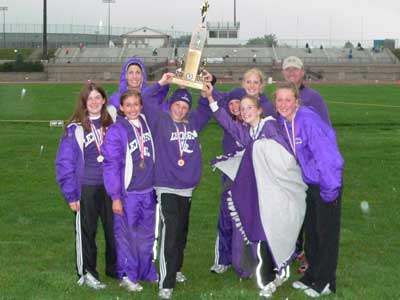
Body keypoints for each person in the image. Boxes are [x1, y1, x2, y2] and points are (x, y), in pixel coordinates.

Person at [204, 83, 307, 298]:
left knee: (275, 231)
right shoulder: (250, 132)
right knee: (263, 232)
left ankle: (275, 273)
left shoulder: (268, 126)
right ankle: (271, 276)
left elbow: (284, 157)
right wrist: (212, 101)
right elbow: (230, 127)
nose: (245, 112)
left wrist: (261, 151)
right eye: (242, 110)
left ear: (259, 109)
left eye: (249, 108)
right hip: (263, 194)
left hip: (279, 191)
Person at [142, 73, 212, 299]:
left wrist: (205, 87)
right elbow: (145, 99)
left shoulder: (193, 122)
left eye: (184, 106)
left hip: (187, 188)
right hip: (166, 187)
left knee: (181, 232)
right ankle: (165, 281)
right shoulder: (160, 121)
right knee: (171, 232)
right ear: (171, 104)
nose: (181, 110)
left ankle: (176, 268)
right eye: (177, 105)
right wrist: (163, 83)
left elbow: (205, 106)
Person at [275, 82, 344, 298]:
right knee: (312, 233)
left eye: (288, 100)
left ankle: (326, 281)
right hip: (311, 184)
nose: (283, 104)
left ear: (296, 101)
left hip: (327, 182)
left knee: (326, 234)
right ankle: (312, 274)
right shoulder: (284, 121)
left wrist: (330, 190)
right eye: (279, 100)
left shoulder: (307, 120)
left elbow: (327, 156)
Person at [55, 82, 116, 289]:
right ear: (84, 102)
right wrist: (71, 195)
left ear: (104, 100)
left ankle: (114, 269)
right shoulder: (75, 129)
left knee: (113, 230)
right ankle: (87, 272)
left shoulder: (113, 124)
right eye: (90, 98)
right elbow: (64, 164)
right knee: (87, 232)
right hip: (86, 188)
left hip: (110, 187)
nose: (94, 102)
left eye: (98, 97)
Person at [101, 89, 157, 292]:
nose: (133, 108)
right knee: (127, 235)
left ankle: (146, 271)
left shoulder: (145, 124)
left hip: (148, 191)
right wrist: (115, 196)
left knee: (146, 235)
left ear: (141, 106)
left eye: (136, 104)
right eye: (129, 105)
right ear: (122, 108)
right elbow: (110, 166)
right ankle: (127, 274)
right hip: (128, 194)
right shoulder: (117, 130)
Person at [282, 55, 331, 272]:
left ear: (302, 72)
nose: (292, 73)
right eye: (288, 70)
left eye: (295, 70)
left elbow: (325, 130)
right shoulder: (281, 97)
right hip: (287, 165)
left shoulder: (314, 98)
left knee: (310, 212)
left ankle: (308, 255)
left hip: (309, 165)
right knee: (291, 210)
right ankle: (293, 250)